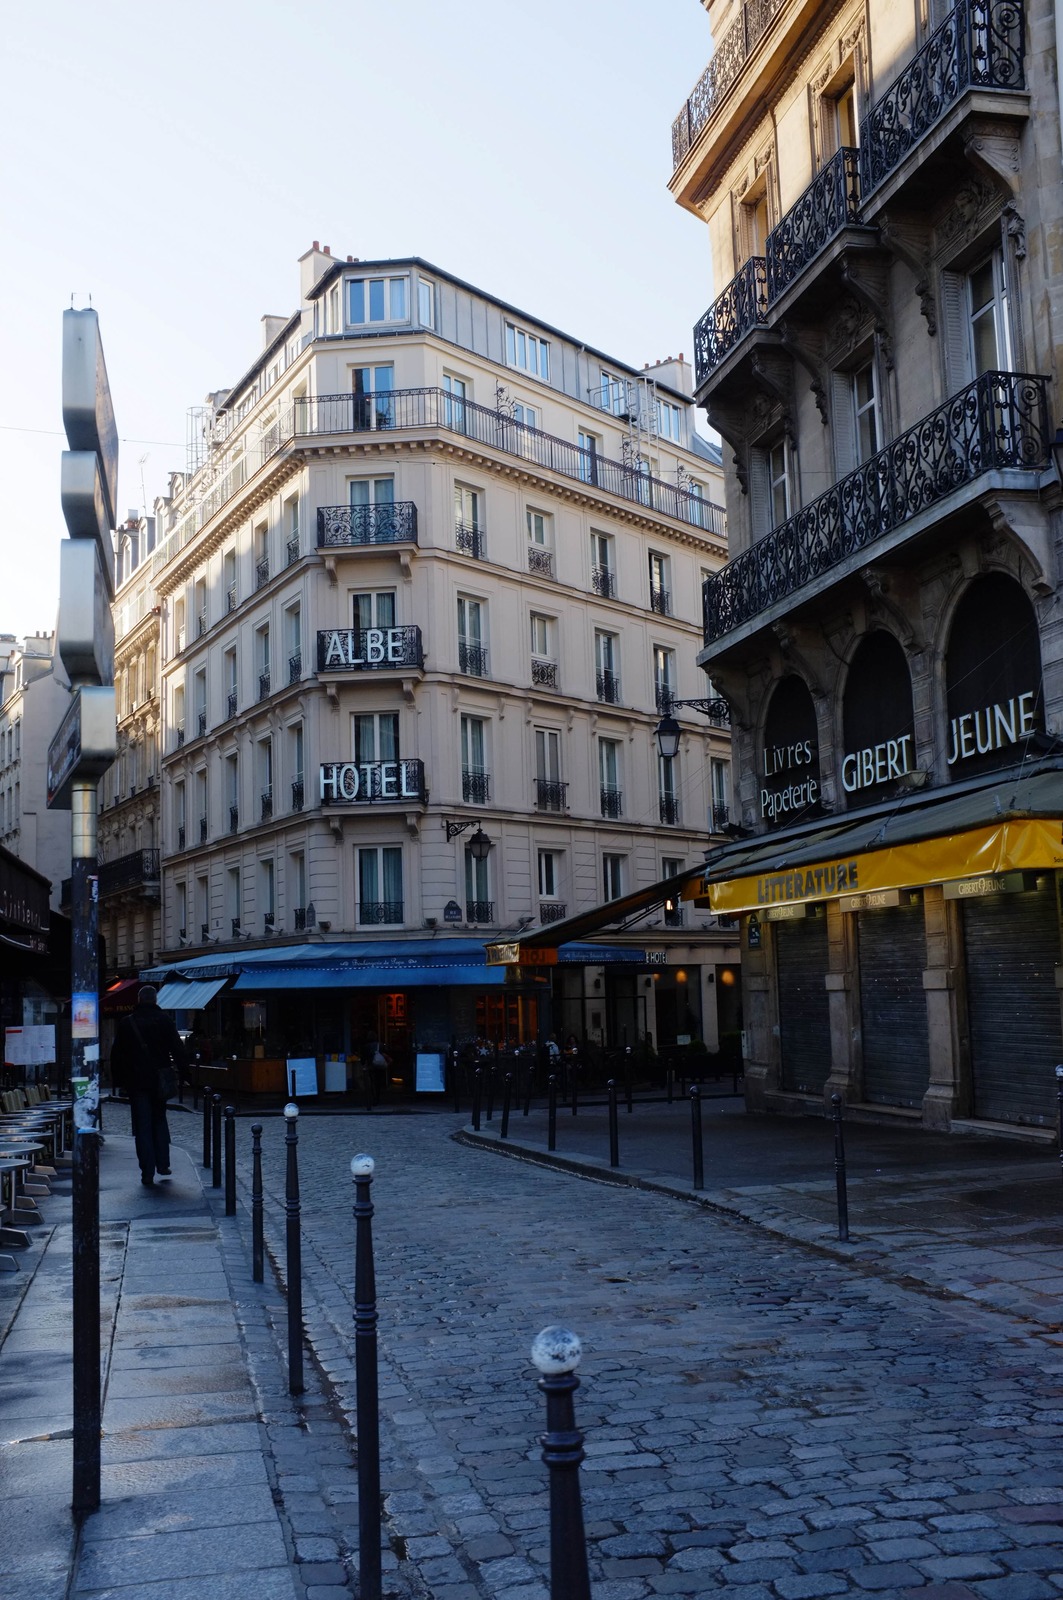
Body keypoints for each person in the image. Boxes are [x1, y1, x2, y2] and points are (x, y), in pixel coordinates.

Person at [110, 986, 187, 1187]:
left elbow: (117, 1055)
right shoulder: (164, 1020)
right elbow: (177, 1048)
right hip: (159, 1080)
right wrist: (185, 1074)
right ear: (155, 999)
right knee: (159, 1120)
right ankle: (163, 1163)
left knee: (142, 1126)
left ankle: (147, 1170)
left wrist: (119, 1082)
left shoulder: (128, 1023)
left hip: (136, 1082)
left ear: (139, 999)